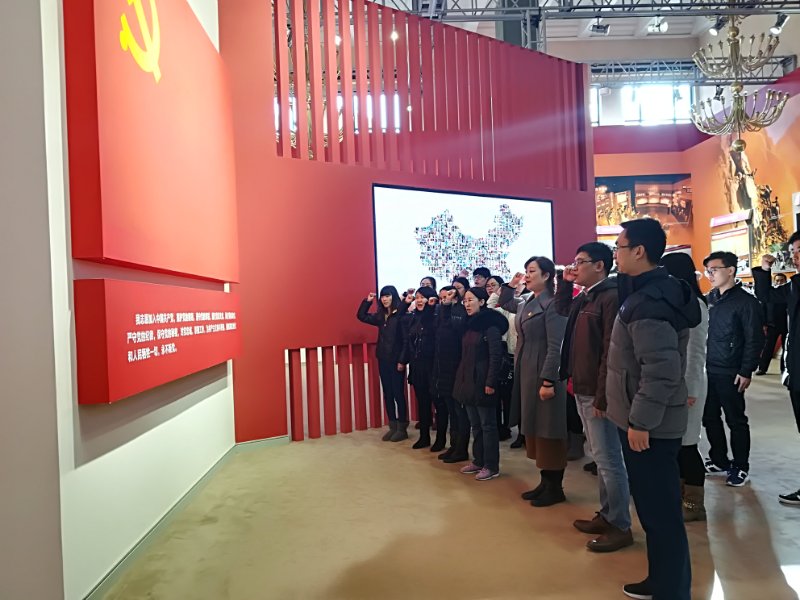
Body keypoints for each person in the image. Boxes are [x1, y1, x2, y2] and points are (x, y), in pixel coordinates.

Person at [606, 218, 700, 600]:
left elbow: (660, 370)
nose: (616, 253)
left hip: (650, 426)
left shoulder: (651, 302)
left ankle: (672, 590)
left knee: (661, 514)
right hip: (644, 419)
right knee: (653, 510)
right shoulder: (647, 292)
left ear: (639, 251)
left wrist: (640, 421)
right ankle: (661, 580)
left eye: (619, 247)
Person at [554, 242, 633, 552]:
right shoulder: (588, 296)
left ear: (600, 265)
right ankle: (607, 514)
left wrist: (603, 396)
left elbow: (610, 351)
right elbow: (562, 310)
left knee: (609, 460)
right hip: (582, 385)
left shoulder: (610, 297)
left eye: (580, 262)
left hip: (597, 391)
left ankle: (620, 525)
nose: (575, 267)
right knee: (601, 458)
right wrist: (564, 283)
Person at [499, 257, 569, 507]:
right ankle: (545, 481)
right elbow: (506, 302)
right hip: (527, 370)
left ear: (547, 275)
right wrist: (511, 285)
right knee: (536, 427)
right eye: (526, 271)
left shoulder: (554, 304)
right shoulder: (528, 300)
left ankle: (555, 487)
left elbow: (556, 347)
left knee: (549, 428)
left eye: (531, 271)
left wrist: (549, 380)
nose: (527, 276)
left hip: (544, 373)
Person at [702, 251, 763, 487]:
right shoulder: (710, 299)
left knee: (735, 420)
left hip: (731, 370)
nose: (710, 275)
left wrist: (746, 370)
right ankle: (719, 459)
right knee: (709, 417)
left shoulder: (746, 302)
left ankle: (740, 465)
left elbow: (754, 339)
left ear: (730, 271)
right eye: (708, 271)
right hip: (709, 367)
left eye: (714, 270)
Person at [660, 253, 709, 521]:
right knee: (676, 444)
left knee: (688, 445)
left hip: (689, 385)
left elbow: (696, 353)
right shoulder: (674, 302)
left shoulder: (696, 305)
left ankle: (694, 503)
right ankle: (679, 495)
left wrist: (690, 390)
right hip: (674, 383)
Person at [753, 235, 800, 506]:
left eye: (799, 250)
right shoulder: (794, 285)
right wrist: (764, 269)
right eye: (793, 251)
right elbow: (766, 296)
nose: (795, 255)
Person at [453, 287, 508, 480]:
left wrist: (490, 381)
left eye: (471, 300)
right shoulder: (469, 325)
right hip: (468, 381)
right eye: (465, 301)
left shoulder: (490, 326)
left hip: (484, 381)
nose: (467, 304)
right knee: (475, 425)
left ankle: (491, 465)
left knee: (488, 425)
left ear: (482, 302)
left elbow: (496, 356)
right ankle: (478, 460)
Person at [357, 286, 410, 442]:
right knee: (388, 393)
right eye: (382, 296)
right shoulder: (381, 316)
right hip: (383, 359)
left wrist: (402, 360)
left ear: (393, 296)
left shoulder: (400, 316)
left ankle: (402, 428)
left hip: (396, 361)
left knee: (398, 393)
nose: (385, 299)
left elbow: (406, 341)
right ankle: (392, 426)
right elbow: (361, 316)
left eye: (387, 296)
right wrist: (367, 301)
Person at [399, 287, 439, 448]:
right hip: (417, 366)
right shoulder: (413, 317)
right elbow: (399, 318)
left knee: (438, 403)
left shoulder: (436, 316)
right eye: (418, 297)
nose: (420, 300)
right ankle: (424, 437)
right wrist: (405, 303)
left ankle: (441, 440)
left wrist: (432, 307)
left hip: (433, 367)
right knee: (422, 403)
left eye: (423, 297)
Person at [431, 286, 467, 459]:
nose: (444, 300)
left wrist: (452, 304)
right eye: (442, 298)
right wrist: (445, 306)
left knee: (458, 412)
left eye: (448, 296)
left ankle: (460, 448)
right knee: (451, 410)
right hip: (443, 369)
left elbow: (455, 327)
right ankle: (454, 446)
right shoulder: (442, 316)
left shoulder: (460, 314)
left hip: (456, 368)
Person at [486, 275, 515, 441]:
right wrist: (495, 295)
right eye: (488, 286)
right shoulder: (491, 309)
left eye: (494, 285)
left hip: (510, 354)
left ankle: (509, 427)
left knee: (508, 395)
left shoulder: (509, 306)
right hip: (495, 353)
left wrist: (502, 293)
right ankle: (499, 428)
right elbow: (489, 306)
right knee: (496, 395)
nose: (490, 288)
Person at [755, 272, 788, 375]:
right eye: (777, 280)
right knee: (768, 348)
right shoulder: (770, 294)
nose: (779, 282)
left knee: (786, 349)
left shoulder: (789, 294)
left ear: (785, 281)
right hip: (772, 325)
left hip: (787, 325)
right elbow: (763, 310)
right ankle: (762, 368)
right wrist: (764, 324)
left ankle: (784, 369)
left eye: (781, 280)